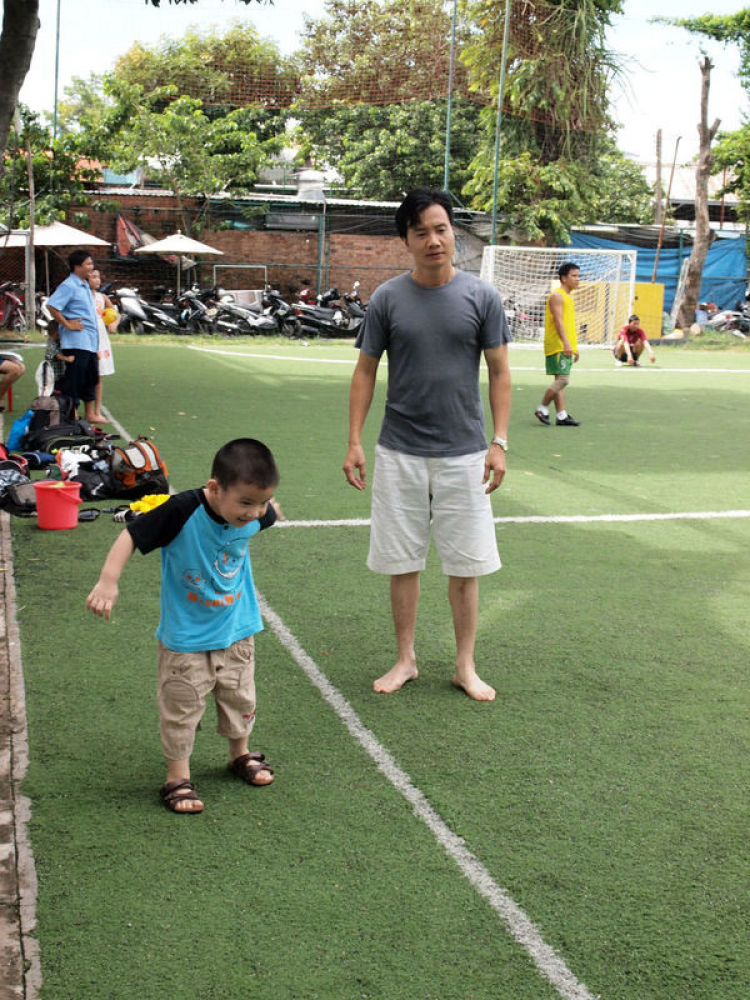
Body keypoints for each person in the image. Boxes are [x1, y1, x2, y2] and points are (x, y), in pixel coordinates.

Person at [342, 188, 512, 703]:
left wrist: (499, 442)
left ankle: (465, 665)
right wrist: (354, 439)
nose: (434, 240)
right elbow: (365, 371)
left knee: (466, 564)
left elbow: (501, 372)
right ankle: (405, 659)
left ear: (452, 233)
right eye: (421, 233)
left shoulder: (481, 297)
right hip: (400, 451)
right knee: (402, 561)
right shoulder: (388, 298)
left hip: (465, 452)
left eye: (441, 229)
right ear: (406, 241)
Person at [86, 438, 282, 815]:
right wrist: (108, 581)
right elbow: (132, 535)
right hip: (187, 638)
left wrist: (268, 509)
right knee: (182, 707)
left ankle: (238, 755)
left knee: (240, 699)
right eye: (245, 502)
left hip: (238, 629)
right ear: (214, 488)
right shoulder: (181, 510)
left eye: (260, 503)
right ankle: (177, 777)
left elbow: (270, 512)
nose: (253, 513)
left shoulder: (256, 513)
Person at [46, 250, 101, 424]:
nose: (91, 268)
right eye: (88, 264)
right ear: (77, 266)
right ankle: (71, 413)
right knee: (75, 379)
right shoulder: (69, 285)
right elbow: (52, 306)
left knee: (91, 376)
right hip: (77, 341)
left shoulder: (84, 285)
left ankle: (90, 413)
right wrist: (67, 324)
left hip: (90, 342)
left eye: (92, 264)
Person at [535, 262, 581, 427]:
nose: (578, 279)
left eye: (578, 275)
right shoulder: (557, 296)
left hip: (565, 345)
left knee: (559, 379)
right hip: (558, 344)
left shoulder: (567, 297)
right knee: (563, 379)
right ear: (563, 278)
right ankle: (542, 408)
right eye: (574, 276)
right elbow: (558, 321)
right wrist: (567, 344)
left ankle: (561, 415)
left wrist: (574, 347)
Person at [88, 268, 119, 421]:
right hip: (87, 335)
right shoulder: (83, 297)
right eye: (93, 277)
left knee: (98, 375)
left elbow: (115, 314)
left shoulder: (102, 297)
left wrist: (113, 324)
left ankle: (97, 410)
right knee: (85, 374)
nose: (97, 280)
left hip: (101, 336)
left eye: (98, 277)